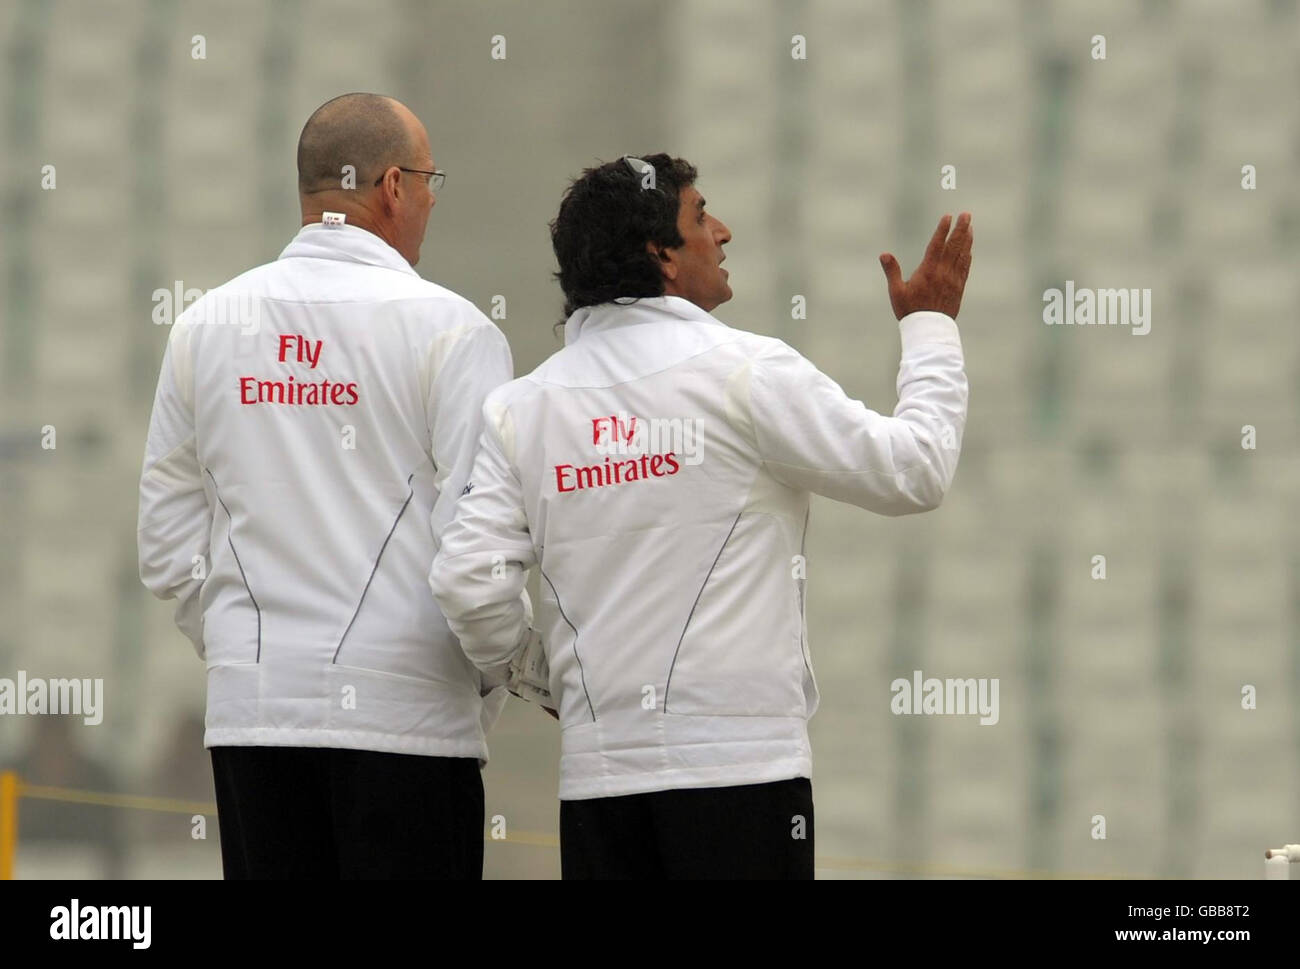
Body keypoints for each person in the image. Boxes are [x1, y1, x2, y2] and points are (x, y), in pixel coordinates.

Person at [430, 153, 972, 879]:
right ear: (662, 255)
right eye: (699, 215)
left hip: (599, 787)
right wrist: (931, 328)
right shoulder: (746, 371)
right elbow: (916, 470)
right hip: (743, 777)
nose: (723, 231)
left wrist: (546, 681)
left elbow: (469, 584)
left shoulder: (521, 407)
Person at [138, 93, 516, 879]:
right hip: (407, 722)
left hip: (255, 721)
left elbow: (167, 549)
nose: (432, 200)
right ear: (391, 186)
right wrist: (494, 674)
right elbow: (474, 557)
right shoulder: (454, 330)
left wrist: (249, 653)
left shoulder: (205, 325)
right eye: (429, 180)